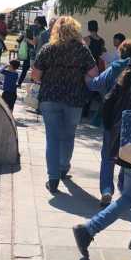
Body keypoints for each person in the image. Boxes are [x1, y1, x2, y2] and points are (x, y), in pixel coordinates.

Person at [72, 42, 131, 260]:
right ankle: (88, 229)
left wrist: (116, 135)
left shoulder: (126, 77)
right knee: (130, 197)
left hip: (124, 143)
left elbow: (107, 106)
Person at [32, 16, 98, 195]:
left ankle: (53, 178)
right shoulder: (82, 50)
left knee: (52, 138)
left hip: (50, 97)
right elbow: (94, 73)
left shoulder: (48, 48)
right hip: (74, 99)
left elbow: (35, 75)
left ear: (56, 30)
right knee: (68, 135)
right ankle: (63, 168)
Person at [87, 38, 131, 205]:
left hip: (112, 116)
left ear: (122, 53)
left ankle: (107, 190)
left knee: (108, 156)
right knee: (128, 155)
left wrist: (85, 77)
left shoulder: (115, 67)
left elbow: (96, 84)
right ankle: (124, 189)